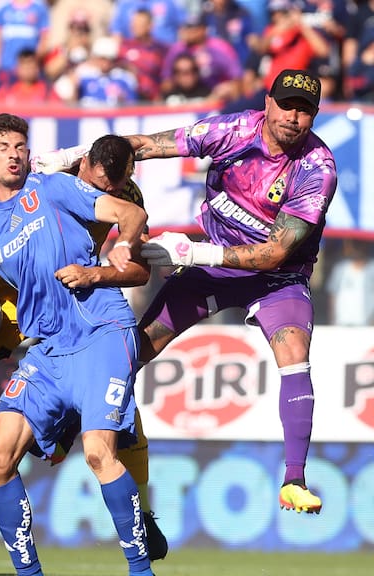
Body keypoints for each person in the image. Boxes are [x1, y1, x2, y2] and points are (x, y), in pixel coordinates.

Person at [0, 135, 168, 561]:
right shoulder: (48, 179)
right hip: (4, 308)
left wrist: (96, 273)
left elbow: (137, 269)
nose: (102, 193)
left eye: (113, 188)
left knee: (117, 415)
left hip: (74, 314)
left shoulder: (125, 199)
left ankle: (141, 514)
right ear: (82, 164)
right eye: (96, 183)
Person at [126, 68, 336, 514]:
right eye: (287, 105)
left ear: (314, 117)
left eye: (305, 111)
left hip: (276, 278)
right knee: (136, 349)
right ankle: (67, 422)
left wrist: (192, 253)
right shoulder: (232, 130)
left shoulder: (318, 170)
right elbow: (148, 145)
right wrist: (72, 157)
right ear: (267, 101)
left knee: (295, 350)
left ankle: (294, 480)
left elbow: (275, 254)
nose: (294, 117)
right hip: (211, 269)